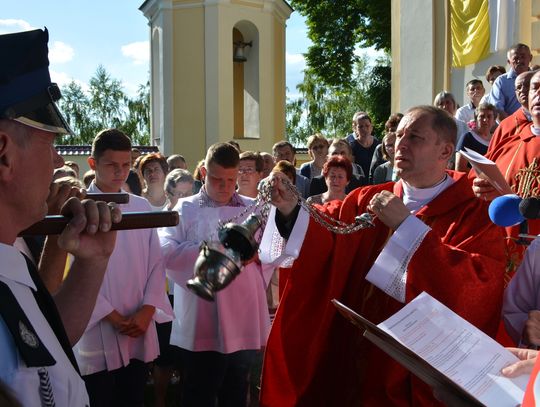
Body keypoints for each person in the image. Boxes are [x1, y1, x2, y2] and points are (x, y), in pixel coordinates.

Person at [258, 105, 507, 406]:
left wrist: (408, 228)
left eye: (415, 137)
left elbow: (477, 289)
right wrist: (290, 210)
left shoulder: (473, 211)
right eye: (399, 134)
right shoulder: (367, 198)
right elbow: (329, 234)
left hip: (419, 373)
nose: (401, 143)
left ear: (445, 151)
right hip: (359, 358)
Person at [0, 28, 123, 406]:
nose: (57, 160)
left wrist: (94, 260)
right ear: (3, 154)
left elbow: (45, 343)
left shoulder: (12, 254)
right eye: (50, 143)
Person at [158, 142, 273, 407]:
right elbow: (165, 251)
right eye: (217, 179)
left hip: (242, 311)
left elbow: (273, 252)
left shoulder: (254, 207)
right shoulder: (185, 208)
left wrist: (257, 255)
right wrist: (208, 250)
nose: (224, 186)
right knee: (199, 389)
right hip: (202, 313)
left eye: (231, 180)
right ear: (202, 173)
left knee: (236, 387)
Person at [73, 129, 173, 407]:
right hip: (98, 326)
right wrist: (112, 316)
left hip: (138, 324)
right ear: (92, 164)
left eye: (126, 165)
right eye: (111, 165)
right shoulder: (79, 211)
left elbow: (156, 263)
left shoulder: (140, 207)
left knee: (133, 397)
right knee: (99, 398)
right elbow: (73, 272)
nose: (120, 172)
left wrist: (148, 310)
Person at [473, 70, 540, 246]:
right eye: (535, 88)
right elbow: (476, 177)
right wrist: (480, 187)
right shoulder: (508, 143)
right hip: (501, 250)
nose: (538, 93)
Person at [487, 43, 533, 120]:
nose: (519, 60)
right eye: (516, 58)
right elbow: (497, 110)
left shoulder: (537, 78)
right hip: (512, 128)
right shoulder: (501, 81)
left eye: (523, 56)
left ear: (530, 58)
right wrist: (515, 126)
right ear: (509, 62)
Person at [455, 103, 497, 172]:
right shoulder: (467, 138)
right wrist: (485, 175)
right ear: (476, 120)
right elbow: (459, 168)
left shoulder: (496, 141)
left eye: (489, 116)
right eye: (482, 116)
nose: (485, 120)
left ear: (494, 121)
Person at [346, 111, 381, 181]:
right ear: (355, 129)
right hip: (358, 183)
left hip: (376, 182)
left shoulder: (379, 145)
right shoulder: (351, 147)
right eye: (360, 127)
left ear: (371, 127)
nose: (364, 129)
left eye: (367, 126)